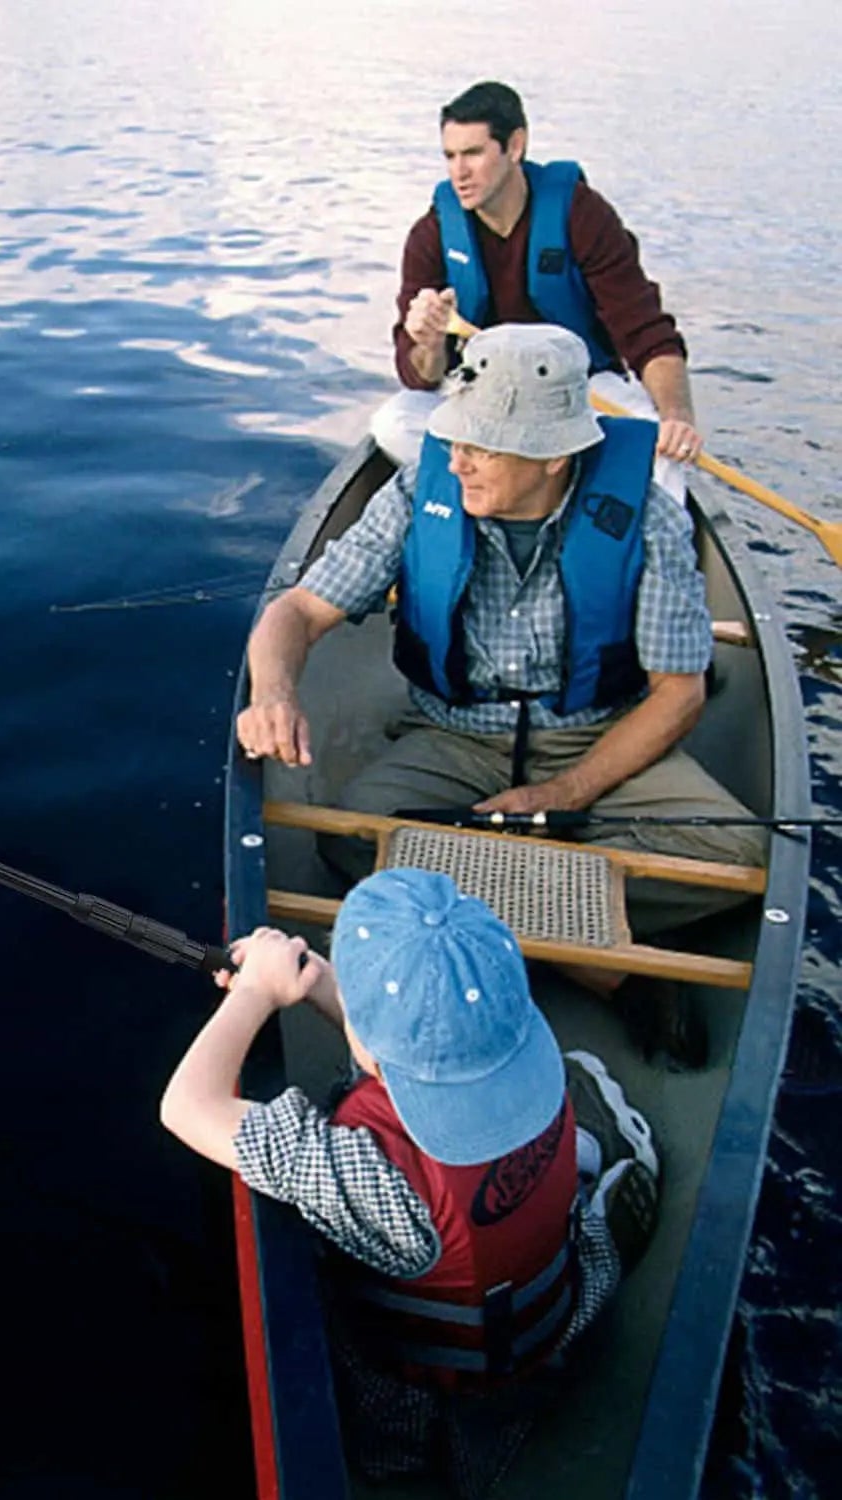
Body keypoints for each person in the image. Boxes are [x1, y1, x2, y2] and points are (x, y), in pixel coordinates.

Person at [238, 321, 766, 1067]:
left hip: (597, 740)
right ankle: (602, 965)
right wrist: (276, 691)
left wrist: (566, 793)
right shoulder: (425, 489)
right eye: (455, 437)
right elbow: (294, 612)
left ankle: (482, 901)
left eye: (483, 445)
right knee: (349, 836)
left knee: (739, 853)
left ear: (554, 458)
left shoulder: (641, 514)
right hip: (455, 735)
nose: (459, 460)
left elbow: (677, 697)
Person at [161, 869, 660, 1499]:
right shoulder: (521, 1046)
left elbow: (187, 1106)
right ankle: (596, 1196)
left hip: (416, 1396)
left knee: (376, 1420)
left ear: (369, 1048)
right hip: (552, 1324)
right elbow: (414, 1049)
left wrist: (255, 993)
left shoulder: (375, 1176)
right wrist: (312, 981)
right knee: (558, 1200)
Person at [372, 80, 699, 501]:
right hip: (483, 391)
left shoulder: (582, 215)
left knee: (661, 449)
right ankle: (508, 497)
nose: (459, 172)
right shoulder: (432, 235)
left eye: (473, 153)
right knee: (393, 423)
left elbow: (646, 333)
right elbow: (419, 373)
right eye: (450, 156)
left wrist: (677, 417)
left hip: (578, 391)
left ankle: (637, 548)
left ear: (515, 147)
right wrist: (430, 343)